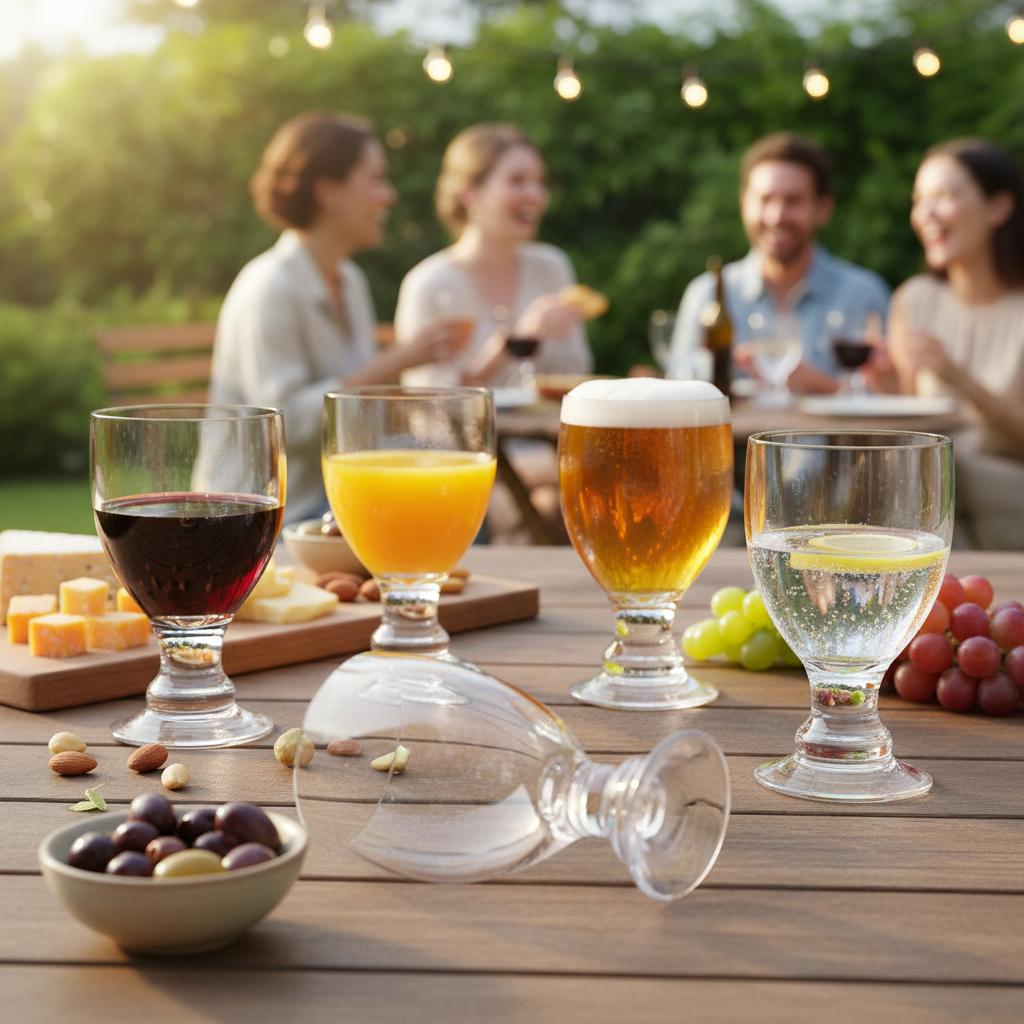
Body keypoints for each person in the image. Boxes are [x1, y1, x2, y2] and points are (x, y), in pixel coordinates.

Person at [210, 112, 471, 524]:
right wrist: (399, 360)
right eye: (376, 179)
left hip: (339, 499)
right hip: (267, 515)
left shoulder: (349, 280)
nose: (389, 196)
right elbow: (284, 425)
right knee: (454, 517)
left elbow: (364, 423)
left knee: (460, 497)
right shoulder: (269, 287)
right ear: (328, 191)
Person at [668, 132, 890, 393]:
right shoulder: (706, 294)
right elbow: (677, 395)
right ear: (744, 204)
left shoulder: (863, 294)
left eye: (793, 201)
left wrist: (827, 388)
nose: (776, 216)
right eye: (765, 199)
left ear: (823, 209)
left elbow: (889, 401)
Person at [889, 138, 1024, 548]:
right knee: (917, 472)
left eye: (944, 196)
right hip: (932, 501)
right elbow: (909, 418)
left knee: (934, 470)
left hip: (1007, 491)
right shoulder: (914, 300)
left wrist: (960, 380)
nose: (925, 214)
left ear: (998, 208)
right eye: (919, 201)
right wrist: (881, 384)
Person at [393, 122, 593, 388]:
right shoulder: (429, 283)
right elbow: (425, 400)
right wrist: (514, 343)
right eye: (517, 180)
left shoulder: (553, 266)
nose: (536, 195)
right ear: (469, 192)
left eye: (539, 182)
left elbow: (575, 373)